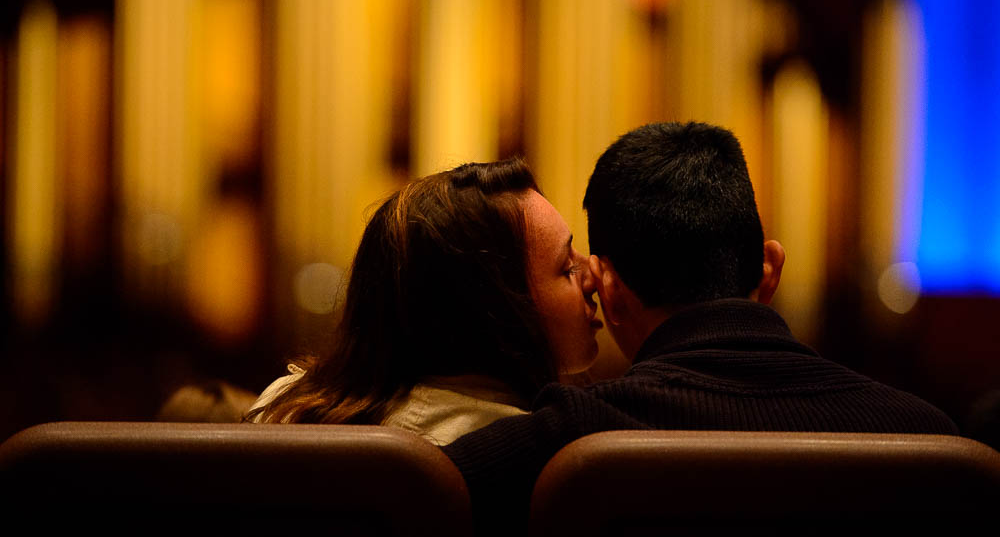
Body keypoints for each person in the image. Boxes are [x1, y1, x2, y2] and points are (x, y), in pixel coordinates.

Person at [442, 121, 959, 530]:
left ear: (609, 288)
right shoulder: (932, 444)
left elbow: (405, 496)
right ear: (769, 268)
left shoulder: (566, 441)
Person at [245, 158, 602, 445]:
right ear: (491, 310)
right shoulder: (516, 449)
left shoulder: (281, 405)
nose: (594, 274)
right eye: (566, 267)